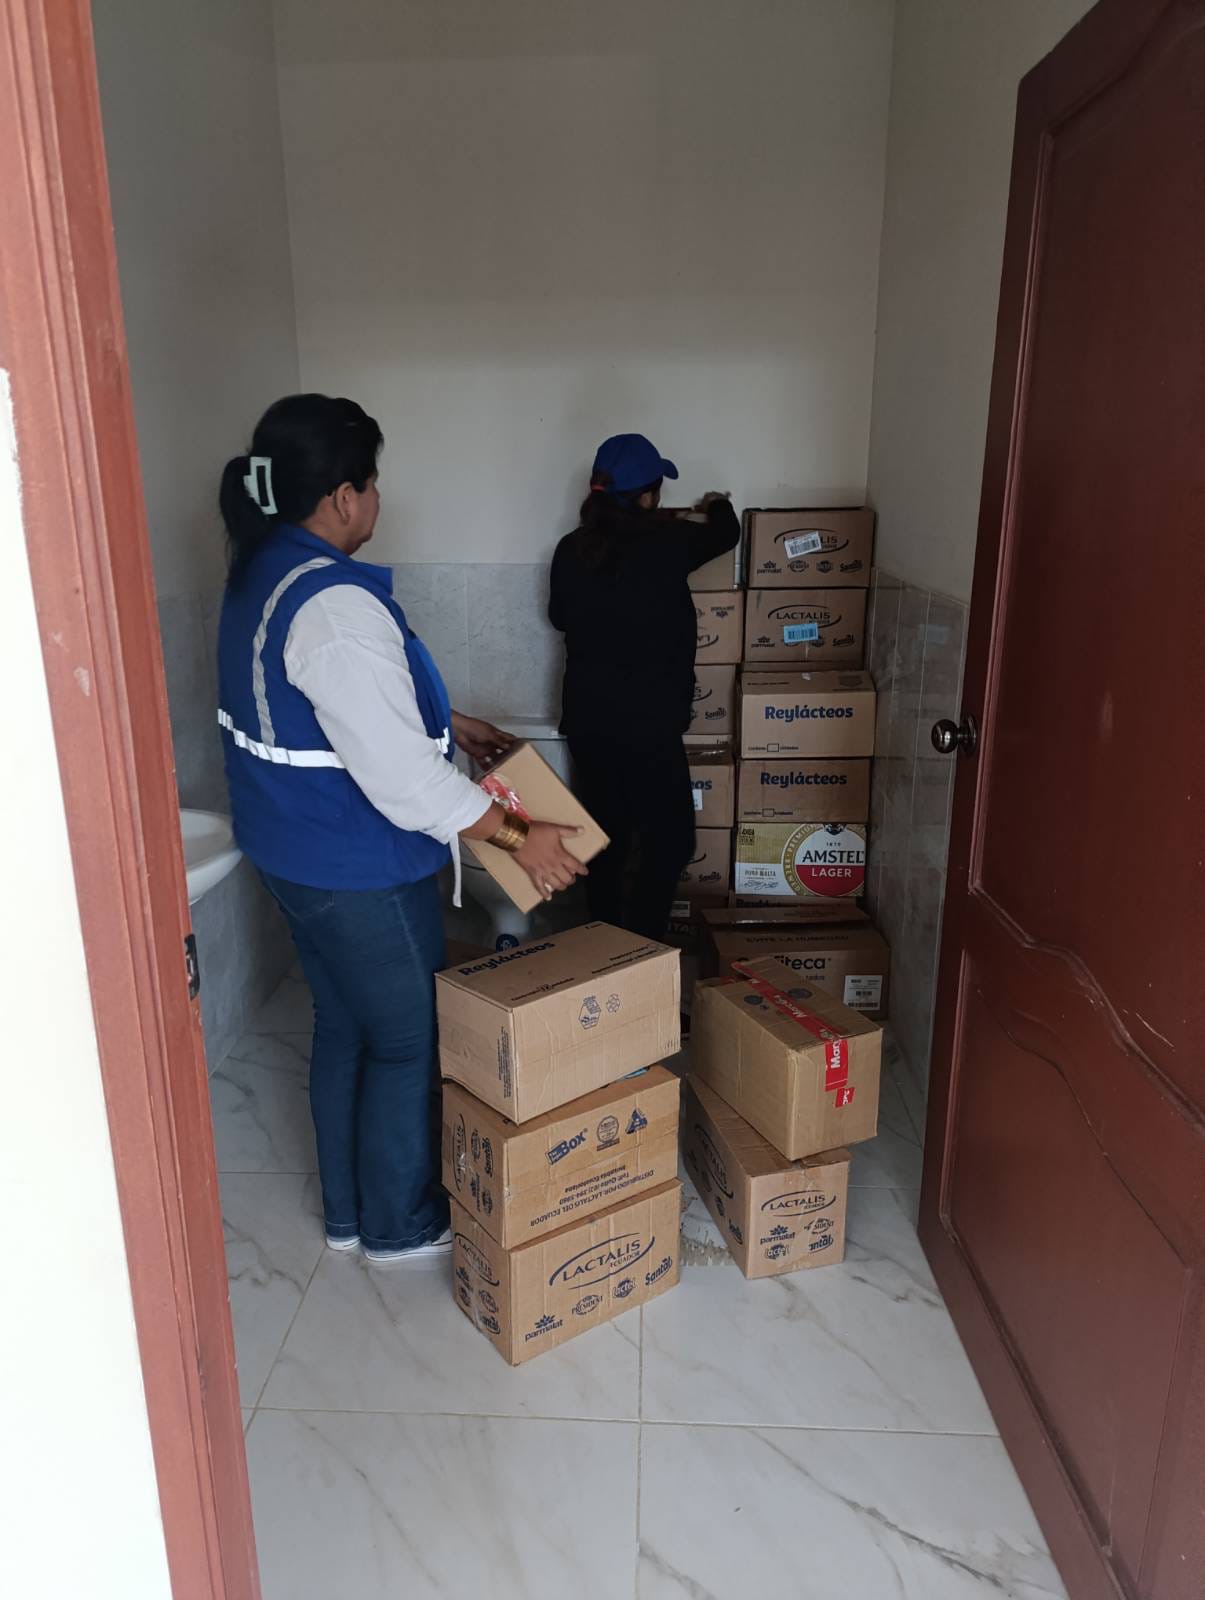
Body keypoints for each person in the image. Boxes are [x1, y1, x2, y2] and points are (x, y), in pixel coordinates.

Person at [216, 394, 585, 1264]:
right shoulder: (334, 606)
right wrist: (517, 836)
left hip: (292, 850)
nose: (378, 499)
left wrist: (449, 721)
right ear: (343, 496)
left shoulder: (267, 569)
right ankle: (398, 1223)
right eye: (372, 482)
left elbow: (335, 705)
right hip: (357, 864)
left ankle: (349, 1216)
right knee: (407, 1039)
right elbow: (406, 784)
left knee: (346, 1024)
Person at [548, 432, 740, 943]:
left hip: (589, 724)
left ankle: (607, 946)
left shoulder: (570, 549)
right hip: (650, 726)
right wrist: (717, 504)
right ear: (647, 495)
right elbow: (727, 533)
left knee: (605, 842)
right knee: (671, 840)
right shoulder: (669, 542)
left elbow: (559, 617)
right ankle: (644, 944)